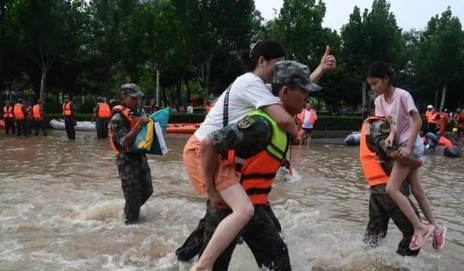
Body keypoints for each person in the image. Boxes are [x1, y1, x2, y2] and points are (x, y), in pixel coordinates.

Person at [182, 41, 334, 269]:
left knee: (258, 239)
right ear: (261, 61)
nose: (280, 71)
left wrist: (320, 70)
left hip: (240, 180)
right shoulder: (252, 87)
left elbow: (296, 88)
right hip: (206, 152)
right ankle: (193, 262)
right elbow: (286, 110)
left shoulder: (266, 89)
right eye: (278, 65)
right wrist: (295, 129)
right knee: (225, 233)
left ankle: (181, 259)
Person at [367, 61, 446, 251]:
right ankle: (437, 228)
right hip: (400, 144)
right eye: (370, 84)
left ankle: (419, 228)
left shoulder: (403, 95)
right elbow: (390, 123)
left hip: (412, 146)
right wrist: (391, 137)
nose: (373, 88)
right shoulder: (379, 102)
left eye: (376, 83)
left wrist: (409, 147)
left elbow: (417, 121)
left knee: (391, 189)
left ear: (387, 79)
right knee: (417, 191)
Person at [361, 117, 422, 257]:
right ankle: (401, 265)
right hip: (388, 185)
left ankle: (368, 262)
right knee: (415, 231)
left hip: (379, 185)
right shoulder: (382, 125)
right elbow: (394, 153)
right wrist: (417, 163)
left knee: (375, 233)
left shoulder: (372, 124)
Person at [109, 83, 153, 225]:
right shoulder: (117, 118)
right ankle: (129, 224)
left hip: (140, 157)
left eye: (138, 98)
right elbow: (124, 142)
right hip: (127, 161)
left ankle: (129, 211)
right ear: (124, 97)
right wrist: (139, 124)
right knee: (133, 196)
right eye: (134, 98)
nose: (137, 101)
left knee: (147, 190)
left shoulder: (138, 112)